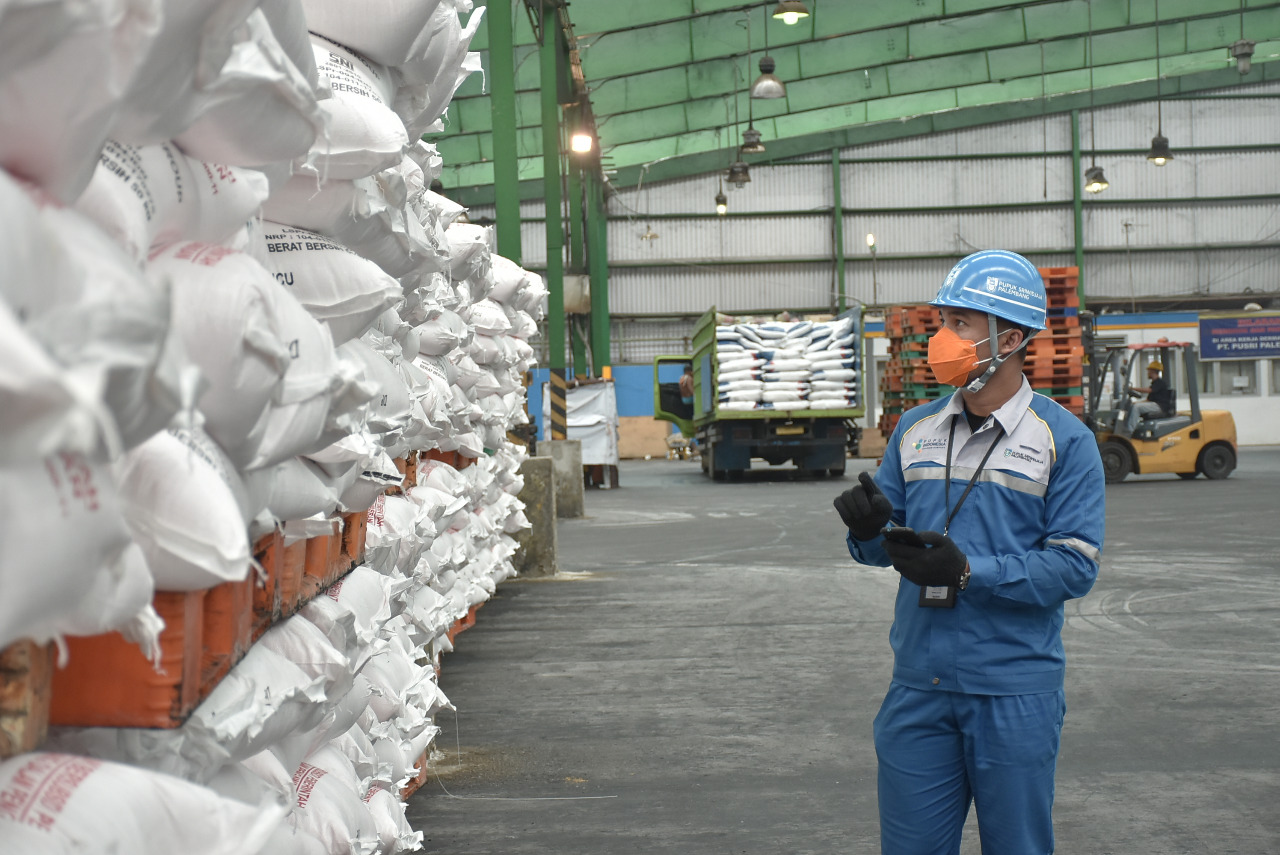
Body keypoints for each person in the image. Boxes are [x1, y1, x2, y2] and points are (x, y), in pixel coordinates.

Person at [832, 249, 1105, 855]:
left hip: (1012, 689)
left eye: (960, 324)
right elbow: (887, 550)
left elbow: (1074, 565)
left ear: (1008, 339)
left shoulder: (1065, 442)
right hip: (918, 689)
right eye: (943, 322)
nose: (941, 338)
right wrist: (871, 531)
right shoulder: (915, 429)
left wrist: (968, 573)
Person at [1121, 359, 1174, 436]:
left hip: (1160, 406)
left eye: (1149, 371)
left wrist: (1132, 388)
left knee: (1136, 407)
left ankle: (1128, 431)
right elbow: (1148, 399)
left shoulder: (1159, 382)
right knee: (1134, 405)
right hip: (1155, 404)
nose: (1147, 373)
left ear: (1153, 371)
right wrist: (1136, 402)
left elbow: (1148, 390)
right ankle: (1128, 427)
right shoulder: (1154, 383)